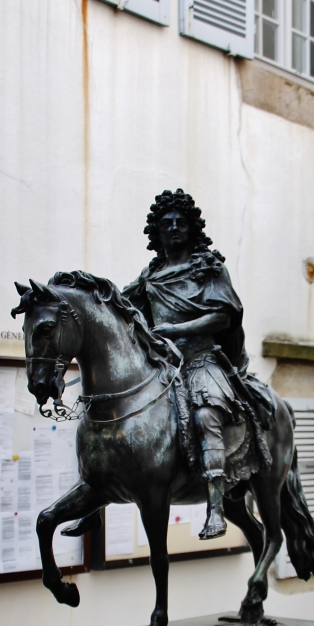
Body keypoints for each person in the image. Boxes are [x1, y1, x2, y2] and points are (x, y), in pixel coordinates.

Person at [124, 189, 273, 540]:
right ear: (156, 232)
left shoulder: (208, 267)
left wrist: (176, 329)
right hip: (161, 365)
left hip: (201, 360)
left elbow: (224, 314)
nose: (174, 228)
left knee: (207, 415)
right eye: (166, 224)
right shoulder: (151, 274)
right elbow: (122, 305)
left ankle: (217, 509)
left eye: (181, 222)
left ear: (192, 228)